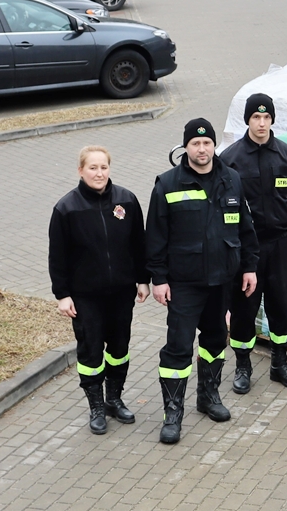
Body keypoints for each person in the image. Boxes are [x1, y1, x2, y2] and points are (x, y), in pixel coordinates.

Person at [147, 119, 259, 444]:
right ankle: (172, 413)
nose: (201, 149)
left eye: (207, 143)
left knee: (214, 342)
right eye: (195, 144)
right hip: (183, 283)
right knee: (178, 349)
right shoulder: (167, 185)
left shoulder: (231, 180)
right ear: (186, 148)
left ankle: (208, 397)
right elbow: (154, 236)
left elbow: (245, 228)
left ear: (213, 146)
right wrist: (158, 278)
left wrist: (249, 267)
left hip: (221, 281)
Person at [49, 146, 150, 435]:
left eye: (103, 167)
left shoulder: (126, 200)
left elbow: (138, 245)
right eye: (92, 168)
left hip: (121, 293)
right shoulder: (66, 208)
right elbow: (57, 256)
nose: (99, 173)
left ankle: (114, 399)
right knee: (91, 352)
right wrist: (62, 294)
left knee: (119, 349)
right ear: (80, 170)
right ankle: (95, 406)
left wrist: (143, 280)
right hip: (85, 297)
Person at [221, 94, 287, 395]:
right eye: (256, 118)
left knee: (279, 305)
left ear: (272, 119)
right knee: (244, 307)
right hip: (246, 248)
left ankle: (280, 364)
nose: (261, 123)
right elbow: (221, 209)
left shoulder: (285, 154)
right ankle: (243, 367)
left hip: (278, 245)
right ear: (247, 119)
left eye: (266, 117)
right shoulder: (231, 158)